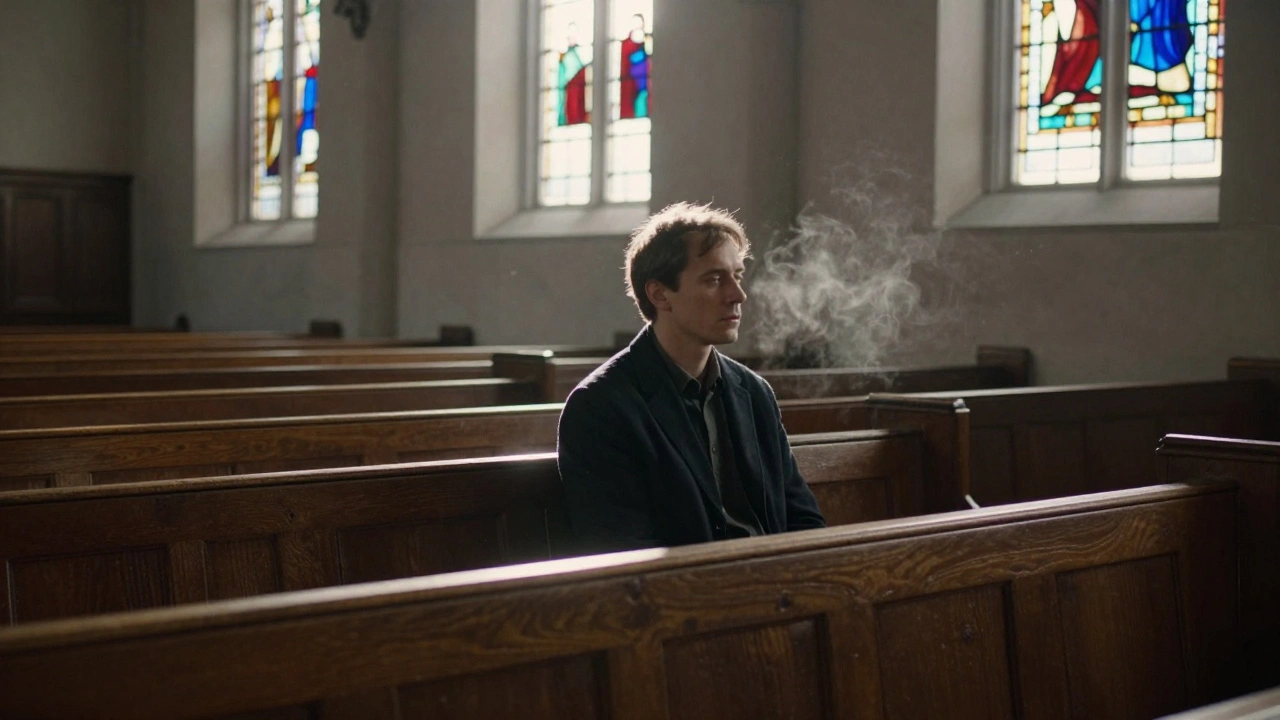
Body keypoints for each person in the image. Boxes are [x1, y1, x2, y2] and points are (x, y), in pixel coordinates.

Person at [557, 202, 825, 554]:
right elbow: (623, 554)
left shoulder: (754, 392)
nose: (737, 295)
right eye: (714, 279)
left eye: (738, 275)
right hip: (682, 598)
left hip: (776, 590)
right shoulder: (601, 405)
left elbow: (803, 521)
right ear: (659, 294)